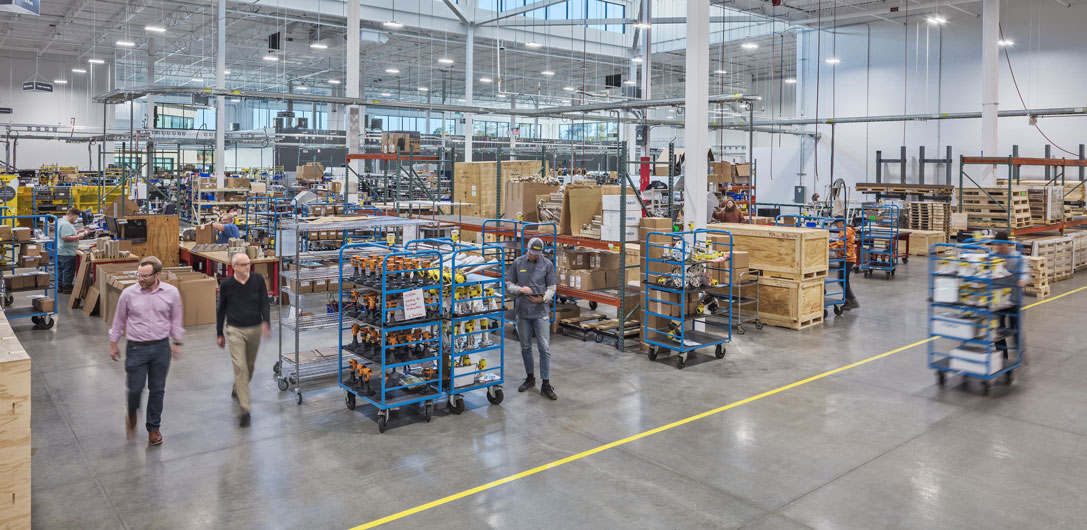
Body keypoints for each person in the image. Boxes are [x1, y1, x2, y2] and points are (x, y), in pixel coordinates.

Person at [108, 256, 183, 446]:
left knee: (157, 390)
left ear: (157, 275)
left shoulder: (171, 293)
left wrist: (177, 342)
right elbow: (118, 320)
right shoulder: (128, 294)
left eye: (145, 276)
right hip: (136, 348)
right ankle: (132, 411)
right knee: (135, 389)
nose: (140, 279)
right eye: (138, 275)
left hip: (161, 348)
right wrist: (113, 343)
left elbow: (176, 318)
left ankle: (153, 428)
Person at [216, 252, 271, 427]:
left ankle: (237, 388)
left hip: (254, 327)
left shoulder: (257, 280)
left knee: (249, 366)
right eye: (242, 264)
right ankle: (245, 409)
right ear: (234, 267)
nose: (247, 267)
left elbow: (264, 302)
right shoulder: (227, 285)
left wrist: (266, 322)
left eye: (248, 263)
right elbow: (221, 309)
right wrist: (219, 332)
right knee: (240, 367)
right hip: (235, 330)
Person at [507, 238, 558, 400]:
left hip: (540, 312)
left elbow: (552, 287)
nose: (534, 256)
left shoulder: (547, 265)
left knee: (544, 348)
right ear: (527, 249)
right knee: (526, 347)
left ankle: (546, 384)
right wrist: (519, 289)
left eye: (537, 254)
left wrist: (543, 299)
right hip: (522, 312)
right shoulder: (518, 263)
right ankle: (530, 378)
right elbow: (508, 285)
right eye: (532, 253)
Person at [991, 231, 1030, 359]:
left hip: (1014, 300)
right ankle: (1003, 359)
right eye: (996, 245)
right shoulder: (992, 258)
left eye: (1000, 245)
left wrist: (1023, 279)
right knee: (998, 331)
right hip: (999, 301)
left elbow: (1025, 270)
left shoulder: (1016, 257)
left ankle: (1019, 351)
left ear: (1007, 244)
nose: (998, 248)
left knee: (1015, 329)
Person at [57, 207, 91, 294]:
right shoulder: (66, 224)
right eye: (76, 217)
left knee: (61, 271)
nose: (76, 220)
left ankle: (60, 286)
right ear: (71, 215)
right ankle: (67, 287)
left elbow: (68, 233)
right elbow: (65, 237)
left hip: (61, 251)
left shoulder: (63, 222)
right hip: (67, 252)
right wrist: (79, 236)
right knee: (68, 271)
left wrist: (80, 231)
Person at [829, 218, 859, 310]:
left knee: (842, 279)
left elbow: (841, 245)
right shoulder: (846, 230)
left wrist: (829, 246)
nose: (836, 226)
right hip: (846, 258)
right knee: (843, 279)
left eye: (836, 224)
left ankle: (851, 300)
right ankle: (848, 300)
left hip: (847, 259)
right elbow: (840, 243)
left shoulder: (845, 232)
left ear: (841, 223)